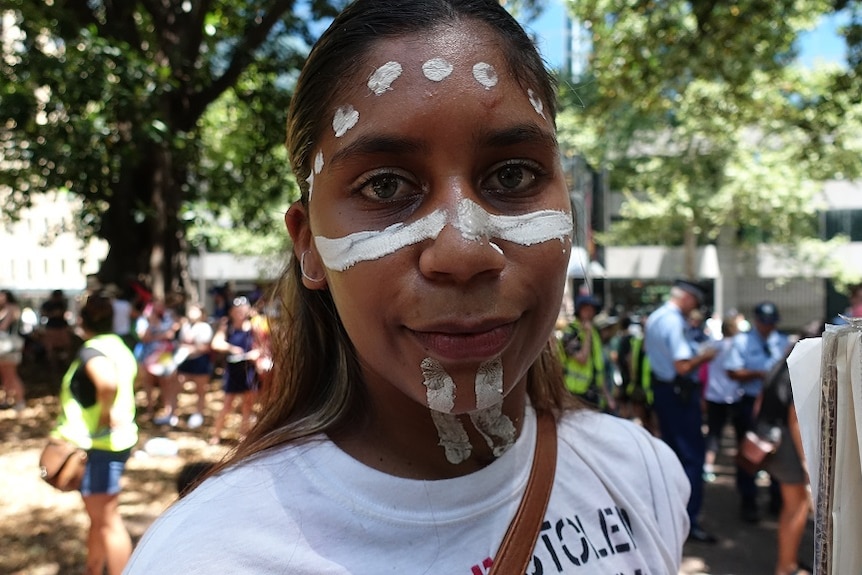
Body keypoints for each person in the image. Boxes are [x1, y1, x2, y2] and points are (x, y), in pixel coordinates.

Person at [125, 2, 690, 572]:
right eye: (385, 185)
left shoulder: (641, 474)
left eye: (512, 175)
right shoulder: (214, 556)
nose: (463, 252)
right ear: (309, 245)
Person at [49, 292, 138, 575]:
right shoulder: (119, 346)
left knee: (108, 521)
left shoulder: (92, 350)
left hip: (98, 448)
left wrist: (103, 415)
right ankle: (93, 569)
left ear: (81, 321)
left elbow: (108, 384)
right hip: (110, 446)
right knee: (99, 519)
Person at [644, 279, 719, 543]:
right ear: (687, 298)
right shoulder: (674, 321)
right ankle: (688, 519)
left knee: (672, 455)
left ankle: (670, 516)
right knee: (691, 459)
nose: (695, 309)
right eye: (695, 303)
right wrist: (706, 357)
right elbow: (683, 366)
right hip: (678, 394)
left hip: (664, 392)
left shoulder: (656, 317)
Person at [758, 320, 822, 575]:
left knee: (792, 507)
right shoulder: (801, 370)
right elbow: (795, 420)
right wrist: (807, 461)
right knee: (795, 508)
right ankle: (785, 566)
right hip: (787, 446)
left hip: (775, 441)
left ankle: (788, 563)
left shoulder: (781, 364)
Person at [726, 301, 790, 523]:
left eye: (771, 323)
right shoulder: (741, 341)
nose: (767, 327)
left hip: (776, 404)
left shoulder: (782, 341)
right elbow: (732, 372)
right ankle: (748, 501)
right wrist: (760, 375)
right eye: (764, 323)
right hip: (749, 401)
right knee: (750, 452)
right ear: (756, 321)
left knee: (778, 450)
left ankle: (777, 499)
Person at [154, 303, 214, 430]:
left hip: (200, 362)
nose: (192, 312)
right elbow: (181, 342)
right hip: (184, 362)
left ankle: (198, 415)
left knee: (200, 390)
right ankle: (171, 414)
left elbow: (205, 347)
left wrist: (191, 349)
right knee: (175, 387)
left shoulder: (205, 328)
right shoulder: (185, 326)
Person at [208, 296, 259, 444]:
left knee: (248, 405)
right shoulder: (227, 326)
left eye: (243, 310)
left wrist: (254, 355)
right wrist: (232, 348)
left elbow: (262, 346)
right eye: (237, 310)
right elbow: (216, 343)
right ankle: (215, 435)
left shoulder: (254, 327)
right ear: (232, 312)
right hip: (232, 371)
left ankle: (244, 436)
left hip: (249, 370)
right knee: (227, 404)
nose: (240, 313)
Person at [703, 314, 742, 483]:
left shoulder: (713, 346)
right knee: (741, 434)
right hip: (734, 395)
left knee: (714, 433)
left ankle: (708, 466)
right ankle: (749, 466)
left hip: (714, 395)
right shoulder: (738, 346)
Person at [559, 294, 609, 409]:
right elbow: (582, 359)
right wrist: (586, 335)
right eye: (586, 309)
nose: (589, 313)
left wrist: (607, 395)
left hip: (593, 391)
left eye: (592, 309)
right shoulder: (571, 332)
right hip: (574, 391)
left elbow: (598, 365)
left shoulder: (593, 332)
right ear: (579, 310)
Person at [0, 289, 26, 411]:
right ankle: (8, 400)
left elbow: (3, 326)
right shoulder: (6, 308)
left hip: (8, 347)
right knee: (6, 376)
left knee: (11, 375)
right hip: (4, 347)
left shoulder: (11, 308)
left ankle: (20, 401)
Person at [39, 289, 73, 367]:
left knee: (66, 346)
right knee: (50, 348)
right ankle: (53, 365)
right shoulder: (48, 304)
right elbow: (44, 313)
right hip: (52, 327)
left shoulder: (62, 303)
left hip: (61, 327)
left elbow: (59, 313)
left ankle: (64, 364)